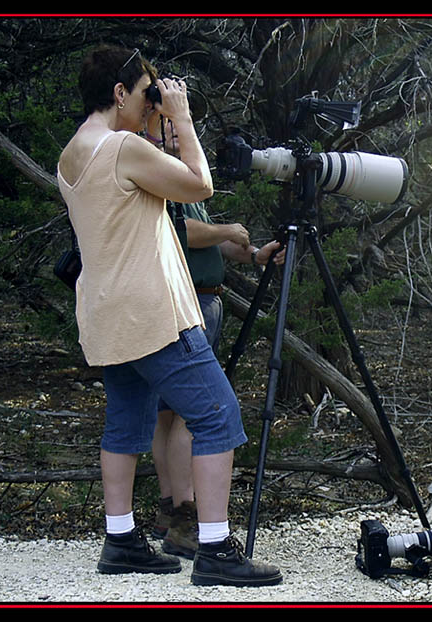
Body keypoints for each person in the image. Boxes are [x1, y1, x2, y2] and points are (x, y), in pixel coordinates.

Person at [56, 44, 281, 587]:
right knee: (218, 417)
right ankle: (214, 549)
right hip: (153, 313)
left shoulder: (73, 153)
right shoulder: (122, 149)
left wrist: (157, 122)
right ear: (118, 93)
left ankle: (121, 539)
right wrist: (179, 117)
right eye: (143, 93)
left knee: (127, 423)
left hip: (107, 312)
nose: (148, 103)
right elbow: (199, 185)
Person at [143, 110, 285, 559]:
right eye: (163, 122)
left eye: (175, 123)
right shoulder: (157, 172)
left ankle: (172, 509)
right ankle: (187, 514)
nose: (173, 131)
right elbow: (183, 234)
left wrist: (253, 255)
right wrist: (227, 229)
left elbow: (202, 239)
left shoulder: (174, 175)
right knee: (191, 413)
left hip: (194, 297)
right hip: (187, 303)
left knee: (167, 414)